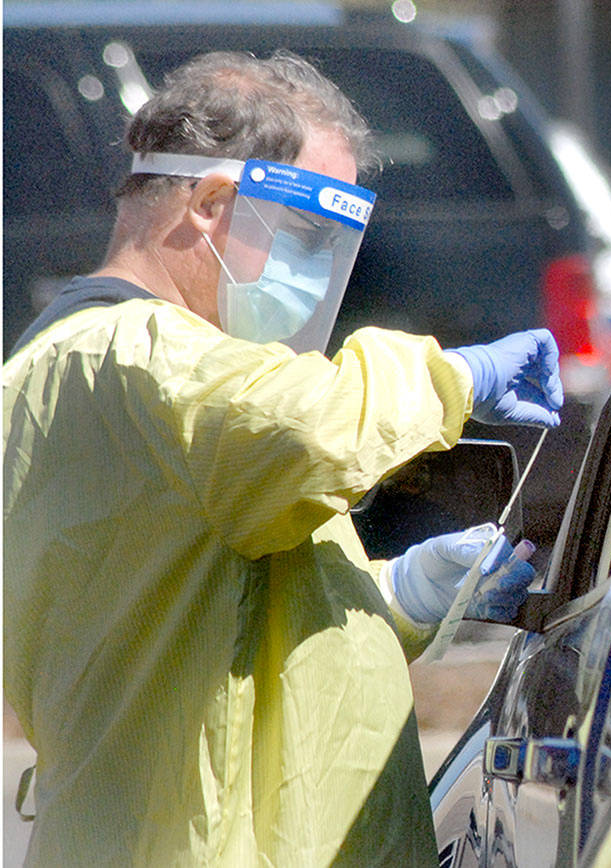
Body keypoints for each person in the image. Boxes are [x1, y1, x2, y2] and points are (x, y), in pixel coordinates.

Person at [3, 50, 563, 865]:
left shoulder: (141, 379)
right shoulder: (134, 360)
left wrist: (400, 595)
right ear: (208, 204)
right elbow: (315, 427)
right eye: (307, 234)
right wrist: (455, 375)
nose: (318, 270)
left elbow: (216, 613)